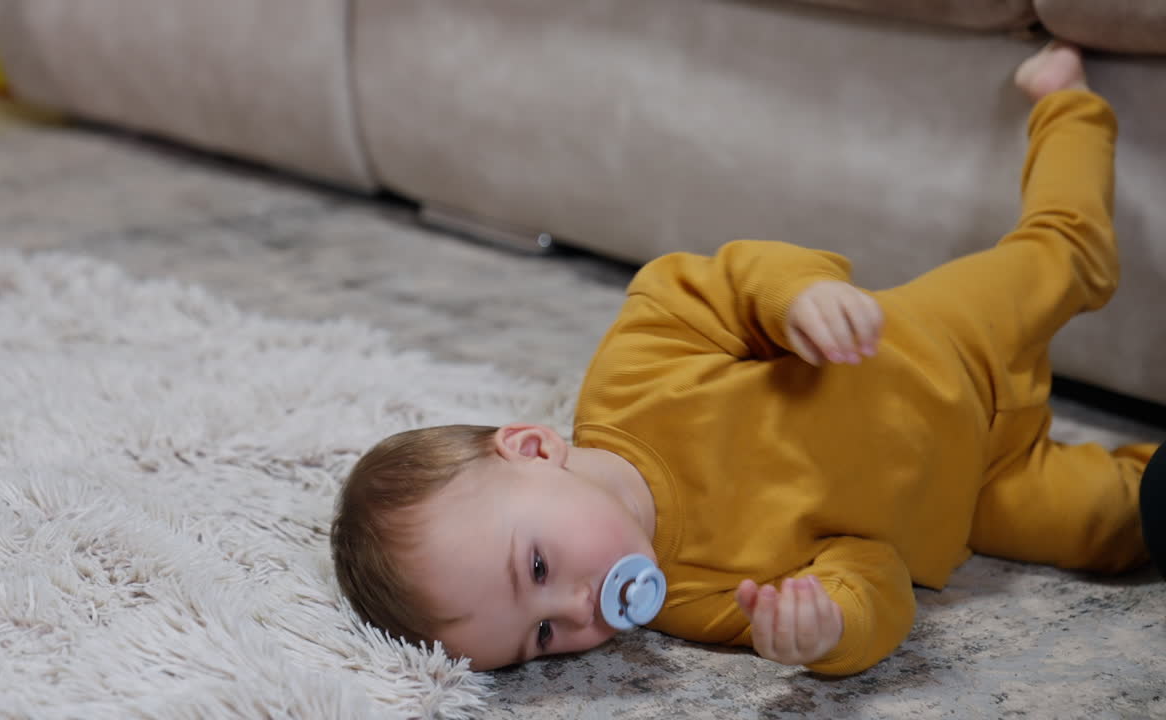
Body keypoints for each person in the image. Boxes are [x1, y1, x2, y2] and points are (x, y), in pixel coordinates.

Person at [330, 41, 1162, 675]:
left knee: (1071, 254)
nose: (582, 612)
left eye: (539, 567)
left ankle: (1066, 105)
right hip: (979, 495)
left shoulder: (636, 380)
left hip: (936, 344)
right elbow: (874, 571)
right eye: (542, 637)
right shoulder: (693, 602)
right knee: (1118, 528)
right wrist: (828, 629)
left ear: (535, 449)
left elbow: (720, 281)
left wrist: (795, 298)